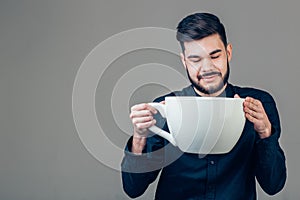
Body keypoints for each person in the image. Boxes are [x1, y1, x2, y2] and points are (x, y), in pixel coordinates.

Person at [121, 13, 286, 200]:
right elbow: (133, 189)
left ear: (228, 53)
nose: (207, 68)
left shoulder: (258, 105)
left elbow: (274, 185)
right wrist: (139, 138)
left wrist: (265, 132)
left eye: (214, 56)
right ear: (184, 61)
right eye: (195, 59)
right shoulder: (164, 108)